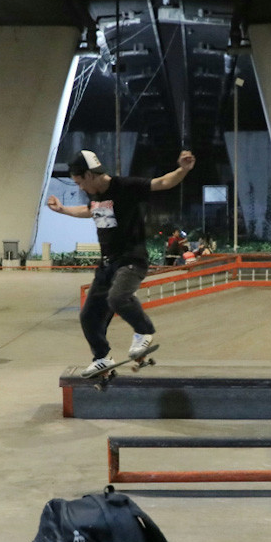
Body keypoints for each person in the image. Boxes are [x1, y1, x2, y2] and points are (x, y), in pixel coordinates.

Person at [46, 149, 196, 376]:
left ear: (89, 175)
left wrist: (183, 169)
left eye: (79, 182)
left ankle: (143, 332)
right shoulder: (94, 195)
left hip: (131, 260)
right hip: (107, 265)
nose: (80, 188)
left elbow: (163, 182)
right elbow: (90, 211)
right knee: (89, 316)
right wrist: (63, 210)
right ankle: (102, 358)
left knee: (118, 298)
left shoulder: (125, 186)